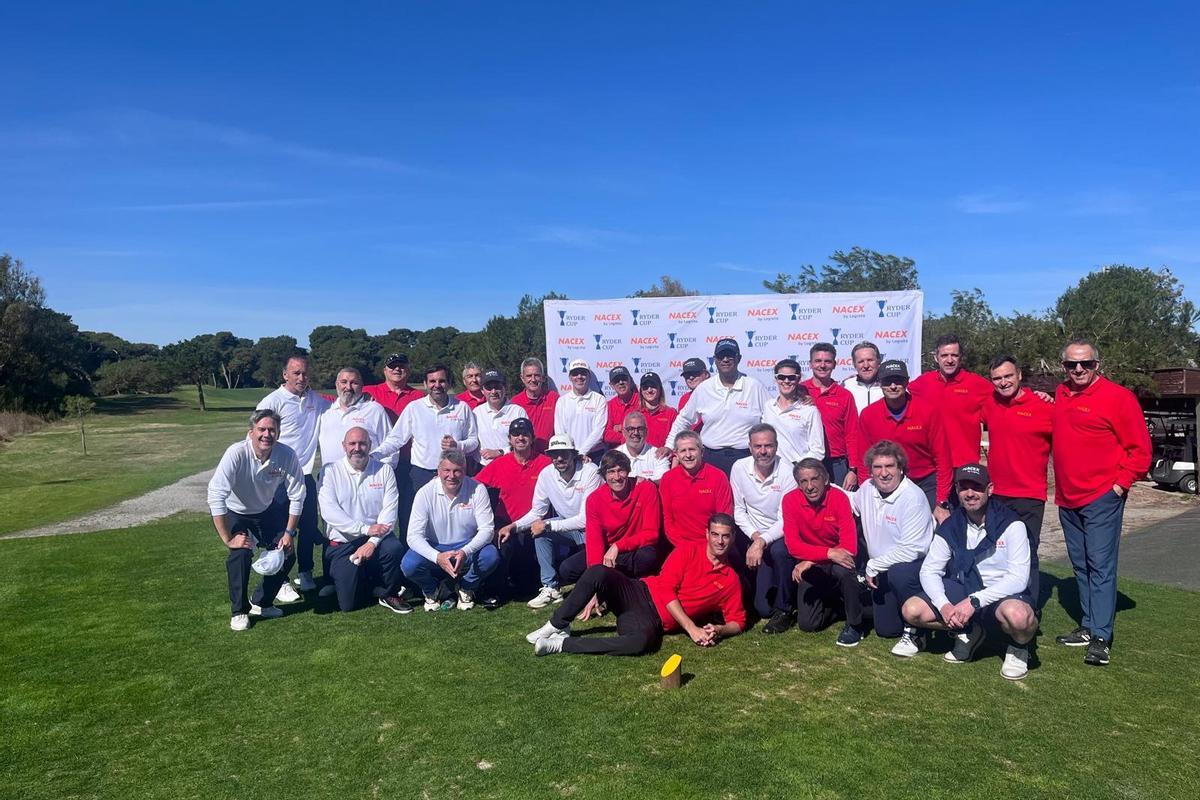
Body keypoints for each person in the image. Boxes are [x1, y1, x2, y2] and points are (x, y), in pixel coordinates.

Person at [1052, 338, 1151, 666]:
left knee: (1100, 566)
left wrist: (1120, 486)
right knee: (1081, 565)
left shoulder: (1119, 398)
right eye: (1071, 364)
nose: (1078, 369)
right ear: (1063, 366)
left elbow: (1140, 452)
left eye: (1085, 364)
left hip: (1101, 498)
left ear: (1098, 364)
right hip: (1067, 498)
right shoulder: (1061, 394)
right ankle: (1088, 625)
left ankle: (1101, 637)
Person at [526, 514, 746, 657]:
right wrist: (691, 628)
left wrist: (720, 629)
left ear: (733, 538)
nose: (719, 541)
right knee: (598, 571)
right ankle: (555, 625)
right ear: (707, 534)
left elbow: (738, 620)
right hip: (638, 591)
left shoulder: (730, 580)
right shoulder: (689, 550)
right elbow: (667, 589)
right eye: (715, 535)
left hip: (651, 620)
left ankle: (560, 644)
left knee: (638, 643)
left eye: (725, 536)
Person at [902, 463, 1038, 680]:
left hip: (1004, 594)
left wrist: (974, 601)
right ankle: (969, 631)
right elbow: (929, 570)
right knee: (911, 610)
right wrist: (943, 605)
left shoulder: (1012, 524)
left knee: (1019, 617)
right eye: (964, 487)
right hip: (966, 588)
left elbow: (1019, 579)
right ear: (957, 491)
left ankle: (1018, 646)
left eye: (977, 487)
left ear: (990, 489)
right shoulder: (951, 524)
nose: (970, 493)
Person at [206, 409, 306, 631]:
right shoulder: (236, 453)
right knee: (240, 554)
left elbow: (297, 495)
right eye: (262, 429)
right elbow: (216, 495)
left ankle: (261, 602)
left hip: (265, 511)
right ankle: (239, 611)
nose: (267, 434)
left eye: (272, 430)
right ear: (251, 432)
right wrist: (227, 539)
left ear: (278, 434)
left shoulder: (286, 455)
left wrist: (289, 533)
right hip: (236, 511)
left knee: (286, 552)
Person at [764, 458, 863, 646]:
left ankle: (855, 625)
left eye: (814, 479)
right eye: (803, 481)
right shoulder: (790, 500)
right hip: (821, 558)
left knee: (844, 569)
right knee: (808, 625)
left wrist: (811, 560)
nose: (810, 486)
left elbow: (849, 547)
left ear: (825, 479)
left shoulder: (839, 498)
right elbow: (793, 545)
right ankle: (839, 606)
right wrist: (827, 554)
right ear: (798, 484)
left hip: (831, 561)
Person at [981, 355, 1053, 609]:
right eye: (997, 378)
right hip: (997, 494)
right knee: (998, 554)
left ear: (1019, 375)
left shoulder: (1044, 407)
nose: (1003, 382)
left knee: (1027, 554)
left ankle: (1027, 611)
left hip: (1030, 495)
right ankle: (999, 609)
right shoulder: (989, 404)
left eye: (1008, 376)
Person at [851, 440, 935, 656]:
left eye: (890, 466)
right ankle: (905, 616)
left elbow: (914, 549)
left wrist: (874, 565)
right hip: (882, 571)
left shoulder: (913, 497)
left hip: (911, 569)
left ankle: (917, 630)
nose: (884, 473)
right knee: (886, 630)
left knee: (900, 571)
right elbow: (850, 503)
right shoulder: (867, 488)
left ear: (901, 469)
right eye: (877, 467)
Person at [256, 355, 329, 595]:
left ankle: (305, 572)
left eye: (305, 373)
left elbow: (340, 406)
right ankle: (281, 579)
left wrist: (366, 396)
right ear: (285, 374)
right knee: (280, 529)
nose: (301, 377)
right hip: (276, 477)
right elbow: (259, 436)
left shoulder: (315, 400)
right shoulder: (272, 401)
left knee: (308, 526)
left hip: (304, 475)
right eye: (296, 373)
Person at [317, 427, 408, 615]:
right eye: (352, 443)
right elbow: (329, 512)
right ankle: (350, 580)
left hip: (377, 538)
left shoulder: (384, 470)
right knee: (348, 605)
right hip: (344, 541)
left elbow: (389, 511)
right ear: (344, 446)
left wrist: (372, 543)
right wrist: (365, 530)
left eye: (362, 443)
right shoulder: (330, 471)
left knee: (394, 548)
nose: (357, 448)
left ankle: (388, 593)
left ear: (370, 446)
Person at [507, 434, 603, 608]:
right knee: (540, 531)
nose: (559, 458)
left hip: (596, 530)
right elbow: (538, 511)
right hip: (568, 526)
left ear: (573, 454)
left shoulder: (591, 472)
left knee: (548, 532)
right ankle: (550, 588)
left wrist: (548, 524)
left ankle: (598, 589)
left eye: (564, 453)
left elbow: (585, 519)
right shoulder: (546, 474)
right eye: (554, 454)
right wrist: (513, 526)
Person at [402, 449, 499, 611]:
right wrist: (437, 556)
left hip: (467, 546)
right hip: (435, 546)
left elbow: (487, 530)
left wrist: (465, 551)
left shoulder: (478, 489)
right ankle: (432, 590)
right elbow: (413, 536)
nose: (451, 476)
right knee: (409, 564)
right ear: (438, 471)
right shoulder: (424, 493)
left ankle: (467, 587)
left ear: (465, 471)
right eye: (446, 470)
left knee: (490, 556)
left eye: (457, 471)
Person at [856, 359, 953, 521]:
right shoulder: (868, 415)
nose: (893, 386)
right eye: (887, 381)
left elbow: (943, 459)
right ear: (880, 383)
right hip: (886, 482)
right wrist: (867, 495)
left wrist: (941, 501)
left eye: (898, 381)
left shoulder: (928, 411)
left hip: (925, 483)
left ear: (907, 382)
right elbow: (863, 461)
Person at [373, 363, 479, 495]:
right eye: (432, 381)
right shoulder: (414, 408)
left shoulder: (462, 408)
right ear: (425, 384)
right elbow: (396, 439)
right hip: (421, 475)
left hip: (454, 474)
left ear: (449, 383)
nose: (437, 385)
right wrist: (374, 455)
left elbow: (474, 441)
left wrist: (457, 445)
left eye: (442, 381)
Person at [668, 338, 770, 475]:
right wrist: (669, 446)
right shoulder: (704, 388)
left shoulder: (754, 386)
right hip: (710, 459)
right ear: (715, 360)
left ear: (738, 358)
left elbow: (772, 418)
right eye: (721, 356)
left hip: (746, 458)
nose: (725, 359)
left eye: (730, 355)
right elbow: (684, 420)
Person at [557, 450, 661, 585]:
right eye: (611, 471)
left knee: (648, 556)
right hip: (608, 550)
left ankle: (626, 582)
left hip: (634, 548)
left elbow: (652, 533)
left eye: (621, 470)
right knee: (567, 569)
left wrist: (618, 546)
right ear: (604, 475)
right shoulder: (594, 500)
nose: (617, 477)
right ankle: (612, 578)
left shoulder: (646, 488)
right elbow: (594, 542)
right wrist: (594, 582)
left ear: (628, 471)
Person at [477, 418, 551, 599]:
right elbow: (475, 484)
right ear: (509, 439)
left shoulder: (545, 463)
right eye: (516, 434)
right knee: (503, 548)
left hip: (534, 523)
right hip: (506, 522)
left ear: (532, 438)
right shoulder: (500, 463)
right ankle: (494, 590)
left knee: (528, 586)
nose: (520, 438)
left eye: (525, 434)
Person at [730, 424, 798, 619]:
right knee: (761, 609)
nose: (763, 451)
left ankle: (785, 604)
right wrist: (754, 536)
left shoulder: (787, 471)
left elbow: (786, 519)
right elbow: (738, 509)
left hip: (778, 536)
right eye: (758, 446)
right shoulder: (739, 467)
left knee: (778, 551)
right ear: (750, 447)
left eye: (768, 446)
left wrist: (762, 541)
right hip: (752, 533)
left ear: (776, 446)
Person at [908, 334, 993, 469]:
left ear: (961, 358)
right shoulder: (922, 383)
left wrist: (1036, 395)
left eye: (954, 355)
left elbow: (1007, 393)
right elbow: (895, 391)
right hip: (932, 465)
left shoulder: (977, 384)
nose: (949, 360)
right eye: (944, 355)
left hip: (965, 464)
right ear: (936, 357)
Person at [660, 430, 734, 548]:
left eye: (692, 449)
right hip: (680, 546)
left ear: (702, 451)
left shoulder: (718, 477)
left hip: (712, 546)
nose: (688, 455)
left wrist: (710, 547)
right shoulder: (668, 479)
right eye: (683, 451)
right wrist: (684, 546)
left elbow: (724, 519)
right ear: (676, 454)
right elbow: (668, 520)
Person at [801, 343, 859, 490]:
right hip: (806, 461)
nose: (822, 365)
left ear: (834, 364)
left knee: (840, 506)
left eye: (827, 361)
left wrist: (853, 470)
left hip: (837, 463)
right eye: (818, 361)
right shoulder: (799, 390)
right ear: (810, 364)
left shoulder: (844, 395)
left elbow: (852, 434)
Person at [317, 367, 392, 470]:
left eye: (354, 383)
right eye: (344, 382)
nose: (348, 387)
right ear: (337, 384)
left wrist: (383, 472)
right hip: (331, 479)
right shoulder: (325, 410)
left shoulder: (374, 410)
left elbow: (390, 445)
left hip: (367, 477)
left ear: (362, 386)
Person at [763, 358, 825, 468]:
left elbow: (818, 450)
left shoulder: (810, 411)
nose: (786, 381)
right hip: (772, 471)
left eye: (791, 378)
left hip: (799, 472)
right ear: (776, 379)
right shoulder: (768, 407)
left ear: (798, 379)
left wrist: (800, 467)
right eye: (781, 377)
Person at [554, 358, 607, 463]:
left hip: (594, 456)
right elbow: (559, 431)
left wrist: (581, 452)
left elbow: (598, 431)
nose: (579, 377)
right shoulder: (562, 401)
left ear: (589, 376)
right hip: (569, 455)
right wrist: (572, 453)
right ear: (570, 377)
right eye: (575, 374)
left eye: (583, 373)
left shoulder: (599, 399)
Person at [473, 369, 529, 467]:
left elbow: (525, 441)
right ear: (482, 390)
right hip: (483, 467)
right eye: (489, 388)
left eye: (497, 387)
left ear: (505, 388)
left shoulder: (517, 411)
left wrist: (501, 452)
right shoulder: (476, 413)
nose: (493, 391)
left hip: (511, 465)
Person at [509, 357, 559, 455]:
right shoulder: (514, 402)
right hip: (525, 456)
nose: (533, 379)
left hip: (549, 456)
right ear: (522, 378)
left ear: (543, 378)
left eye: (537, 375)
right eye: (529, 376)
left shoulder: (554, 398)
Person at [364, 352, 422, 424]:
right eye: (392, 366)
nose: (397, 368)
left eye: (402, 366)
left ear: (409, 371)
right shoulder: (367, 391)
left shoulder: (419, 396)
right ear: (385, 370)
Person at [614, 410, 671, 482]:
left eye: (640, 429)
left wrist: (643, 483)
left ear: (646, 432)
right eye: (631, 429)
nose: (635, 433)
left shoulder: (659, 456)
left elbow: (664, 482)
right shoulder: (613, 456)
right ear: (624, 432)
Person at [602, 365, 640, 449]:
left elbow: (645, 429)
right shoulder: (610, 405)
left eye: (624, 378)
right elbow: (606, 435)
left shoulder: (642, 401)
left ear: (630, 380)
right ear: (611, 385)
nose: (621, 382)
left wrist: (621, 428)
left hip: (639, 450)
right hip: (618, 453)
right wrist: (628, 437)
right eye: (616, 380)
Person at [637, 372, 678, 448]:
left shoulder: (671, 413)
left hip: (664, 458)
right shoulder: (635, 414)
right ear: (641, 391)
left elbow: (677, 440)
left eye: (653, 386)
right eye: (645, 387)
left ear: (660, 389)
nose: (649, 390)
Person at [843, 341, 883, 414]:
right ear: (854, 365)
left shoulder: (889, 385)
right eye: (861, 361)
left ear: (879, 362)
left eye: (870, 360)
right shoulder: (846, 386)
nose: (866, 366)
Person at [676, 357, 709, 430]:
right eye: (687, 375)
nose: (691, 377)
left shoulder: (716, 394)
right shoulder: (684, 398)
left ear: (706, 374)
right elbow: (682, 426)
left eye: (695, 373)